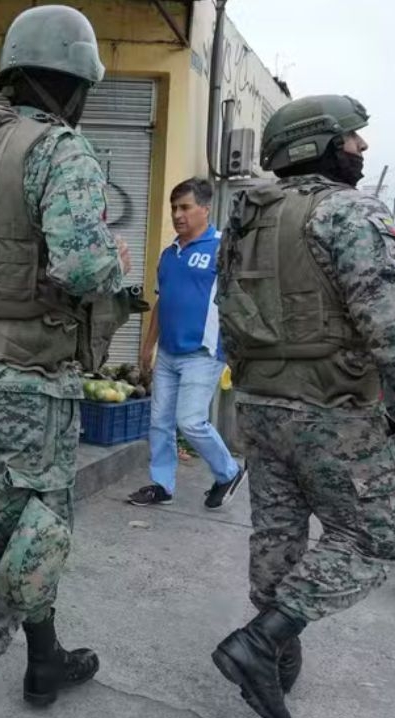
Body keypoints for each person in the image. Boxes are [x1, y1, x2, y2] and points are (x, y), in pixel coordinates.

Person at [212, 94, 395, 718]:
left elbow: (229, 310)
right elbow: (391, 324)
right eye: (352, 139)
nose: (362, 148)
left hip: (261, 404)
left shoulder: (245, 220)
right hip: (333, 408)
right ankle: (260, 643)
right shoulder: (348, 213)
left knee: (278, 533)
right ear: (317, 145)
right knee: (377, 535)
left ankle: (274, 661)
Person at [0, 6, 135, 718]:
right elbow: (81, 265)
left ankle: (44, 659)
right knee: (17, 546)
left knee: (19, 529)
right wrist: (117, 266)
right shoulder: (60, 148)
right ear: (72, 84)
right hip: (31, 384)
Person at [130, 177, 245, 509]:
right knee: (159, 422)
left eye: (185, 207)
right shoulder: (169, 255)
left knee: (191, 421)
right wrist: (147, 346)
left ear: (205, 209)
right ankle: (162, 485)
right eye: (173, 208)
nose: (177, 215)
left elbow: (241, 300)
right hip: (168, 352)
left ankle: (228, 471)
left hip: (204, 352)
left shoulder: (224, 249)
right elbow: (161, 302)